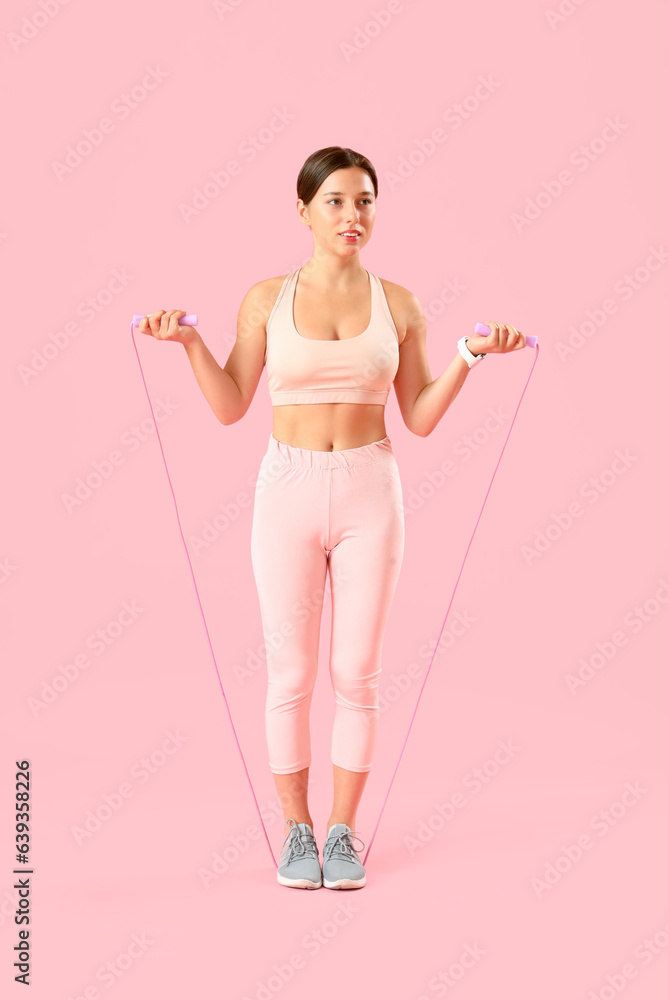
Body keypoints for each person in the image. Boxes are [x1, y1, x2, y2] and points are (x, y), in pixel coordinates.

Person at [139, 145, 526, 891]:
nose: (353, 215)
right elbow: (229, 407)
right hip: (286, 486)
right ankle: (297, 832)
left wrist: (469, 358)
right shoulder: (264, 299)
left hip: (370, 488)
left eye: (366, 201)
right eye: (337, 201)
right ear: (304, 211)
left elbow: (417, 417)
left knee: (357, 673)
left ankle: (342, 834)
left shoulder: (401, 303)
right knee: (289, 672)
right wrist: (188, 340)